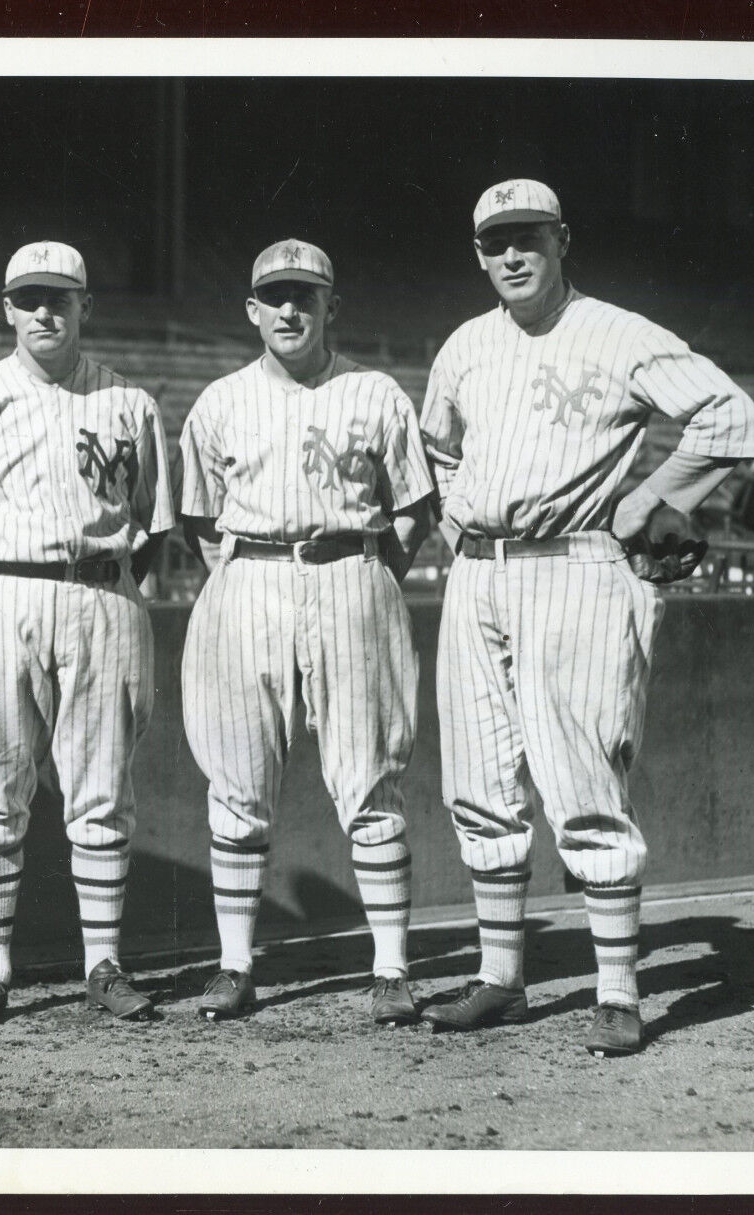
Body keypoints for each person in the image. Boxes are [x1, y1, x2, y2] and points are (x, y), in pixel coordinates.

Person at [418, 179, 754, 1056]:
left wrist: (650, 498)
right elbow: (435, 445)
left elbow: (731, 415)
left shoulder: (617, 332)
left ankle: (617, 988)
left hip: (573, 564)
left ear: (562, 237)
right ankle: (500, 976)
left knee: (582, 782)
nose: (512, 254)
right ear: (478, 254)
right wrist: (454, 509)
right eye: (495, 241)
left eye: (528, 235)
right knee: (480, 781)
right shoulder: (464, 344)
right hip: (478, 576)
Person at [0, 241, 174, 1027]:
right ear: (7, 308)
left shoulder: (131, 403)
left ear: (85, 306)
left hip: (102, 591)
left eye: (60, 297)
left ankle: (103, 962)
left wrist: (109, 581)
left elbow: (155, 526)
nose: (45, 312)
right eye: (29, 298)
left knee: (100, 793)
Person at [177, 240, 436, 1024]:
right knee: (238, 779)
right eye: (274, 296)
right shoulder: (219, 400)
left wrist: (364, 570)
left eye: (306, 295)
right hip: (248, 577)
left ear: (332, 307)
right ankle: (234, 964)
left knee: (370, 775)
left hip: (351, 570)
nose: (290, 309)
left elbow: (415, 510)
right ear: (252, 309)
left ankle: (391, 965)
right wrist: (246, 573)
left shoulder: (377, 392)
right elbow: (197, 516)